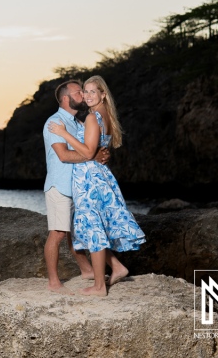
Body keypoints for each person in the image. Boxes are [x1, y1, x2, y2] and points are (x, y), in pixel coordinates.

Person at [48, 75, 145, 296]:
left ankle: (100, 286)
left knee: (93, 229)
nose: (88, 95)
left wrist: (63, 134)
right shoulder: (104, 116)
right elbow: (95, 149)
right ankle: (117, 268)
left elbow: (88, 152)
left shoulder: (93, 117)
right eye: (85, 91)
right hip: (98, 174)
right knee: (97, 225)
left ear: (103, 94)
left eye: (93, 91)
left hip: (89, 179)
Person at [42, 79, 97, 295]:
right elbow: (64, 155)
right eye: (78, 92)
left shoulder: (77, 123)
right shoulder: (54, 122)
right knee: (57, 233)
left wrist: (98, 154)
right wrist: (89, 155)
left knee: (75, 233)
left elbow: (87, 148)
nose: (83, 95)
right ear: (66, 98)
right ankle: (53, 283)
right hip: (60, 186)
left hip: (76, 186)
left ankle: (86, 270)